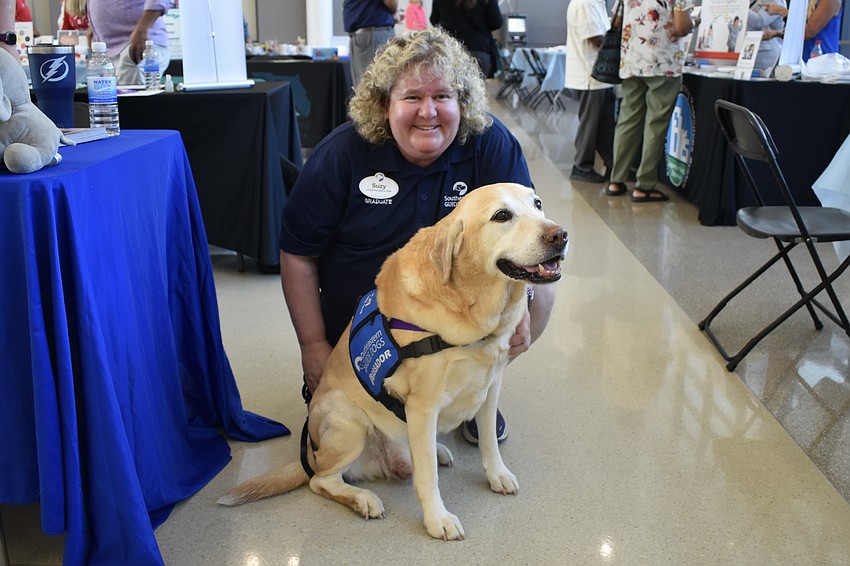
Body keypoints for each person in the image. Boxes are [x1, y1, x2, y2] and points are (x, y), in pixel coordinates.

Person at [278, 28, 555, 444]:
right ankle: (370, 383)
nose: (428, 111)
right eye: (411, 98)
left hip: (459, 312)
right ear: (384, 104)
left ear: (462, 101)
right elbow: (298, 255)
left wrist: (526, 303)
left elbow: (528, 234)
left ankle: (470, 395)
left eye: (443, 96)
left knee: (547, 288)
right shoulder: (340, 155)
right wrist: (313, 346)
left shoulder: (490, 145)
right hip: (365, 327)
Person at [605, 0, 696, 201]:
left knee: (627, 119)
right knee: (656, 123)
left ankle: (616, 180)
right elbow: (681, 27)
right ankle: (644, 186)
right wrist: (694, 21)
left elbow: (616, 20)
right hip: (662, 62)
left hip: (631, 60)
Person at [565, 0, 615, 185]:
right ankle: (582, 166)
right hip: (590, 76)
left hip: (601, 77)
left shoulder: (597, 3)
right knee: (591, 124)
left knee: (605, 125)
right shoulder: (586, 3)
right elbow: (596, 39)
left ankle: (614, 165)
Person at [87, 0, 170, 85]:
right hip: (108, 48)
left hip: (137, 44)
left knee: (133, 97)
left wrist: (142, 30)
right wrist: (93, 26)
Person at [430, 0, 502, 78]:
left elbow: (434, 20)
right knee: (478, 87)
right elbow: (496, 22)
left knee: (451, 86)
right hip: (478, 49)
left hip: (450, 49)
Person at [344, 0, 402, 87]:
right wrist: (395, 11)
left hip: (369, 34)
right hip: (367, 35)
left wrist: (394, 11)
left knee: (370, 88)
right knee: (369, 88)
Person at [763, 0, 841, 61]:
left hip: (822, 64)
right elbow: (799, 31)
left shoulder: (831, 1)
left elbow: (808, 33)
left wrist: (783, 11)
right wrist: (777, 34)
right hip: (803, 61)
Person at [747, 0, 785, 71]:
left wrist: (738, 7)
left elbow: (759, 21)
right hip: (745, 54)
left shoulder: (777, 1)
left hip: (764, 58)